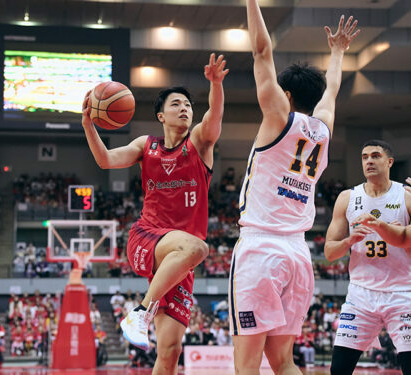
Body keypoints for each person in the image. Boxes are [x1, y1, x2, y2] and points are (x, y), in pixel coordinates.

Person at [230, 2, 360, 374]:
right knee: (283, 362)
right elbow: (332, 90)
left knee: (247, 366)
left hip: (260, 251)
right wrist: (337, 52)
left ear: (285, 95)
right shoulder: (323, 128)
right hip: (299, 256)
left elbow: (261, 51)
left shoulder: (276, 117)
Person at [82, 53, 228, 374]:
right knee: (198, 247)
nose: (185, 108)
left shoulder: (200, 143)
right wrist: (88, 124)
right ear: (161, 116)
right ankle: (141, 312)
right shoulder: (145, 146)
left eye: (188, 104)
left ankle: (143, 313)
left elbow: (215, 117)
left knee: (170, 350)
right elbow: (105, 159)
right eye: (176, 104)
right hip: (147, 238)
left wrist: (216, 85)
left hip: (179, 261)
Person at [325, 140, 411, 374]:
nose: (369, 161)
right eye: (364, 157)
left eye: (375, 156)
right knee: (339, 369)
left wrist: (397, 233)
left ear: (390, 162)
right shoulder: (347, 197)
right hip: (361, 294)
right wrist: (348, 241)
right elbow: (330, 252)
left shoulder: (405, 196)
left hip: (402, 292)